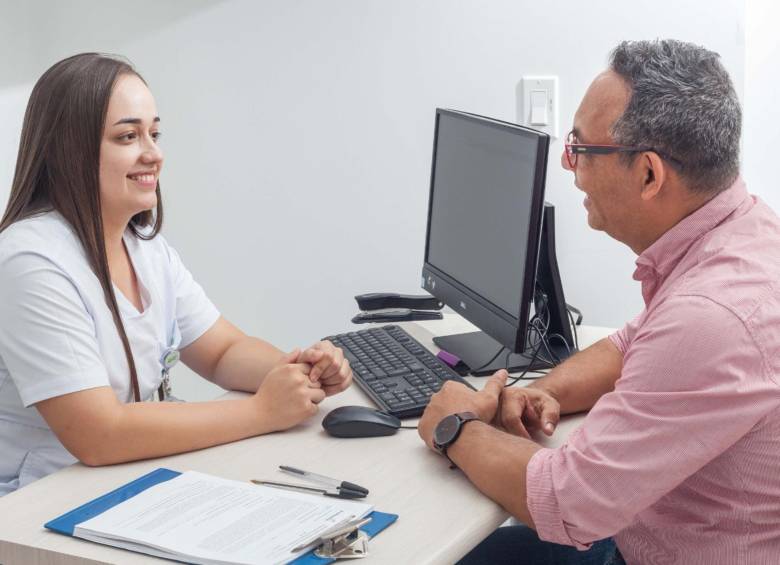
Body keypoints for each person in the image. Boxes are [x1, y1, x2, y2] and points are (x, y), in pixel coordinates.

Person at [418, 39, 780, 564]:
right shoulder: (747, 231)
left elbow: (570, 504)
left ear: (650, 174)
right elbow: (633, 342)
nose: (570, 166)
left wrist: (455, 428)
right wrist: (542, 392)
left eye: (581, 149)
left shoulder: (712, 316)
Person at [0, 53, 352, 496]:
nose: (154, 153)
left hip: (121, 481)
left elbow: (223, 351)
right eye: (128, 136)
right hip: (39, 504)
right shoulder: (29, 261)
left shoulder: (144, 249)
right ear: (68, 150)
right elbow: (98, 434)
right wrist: (263, 412)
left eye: (154, 133)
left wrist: (298, 372)